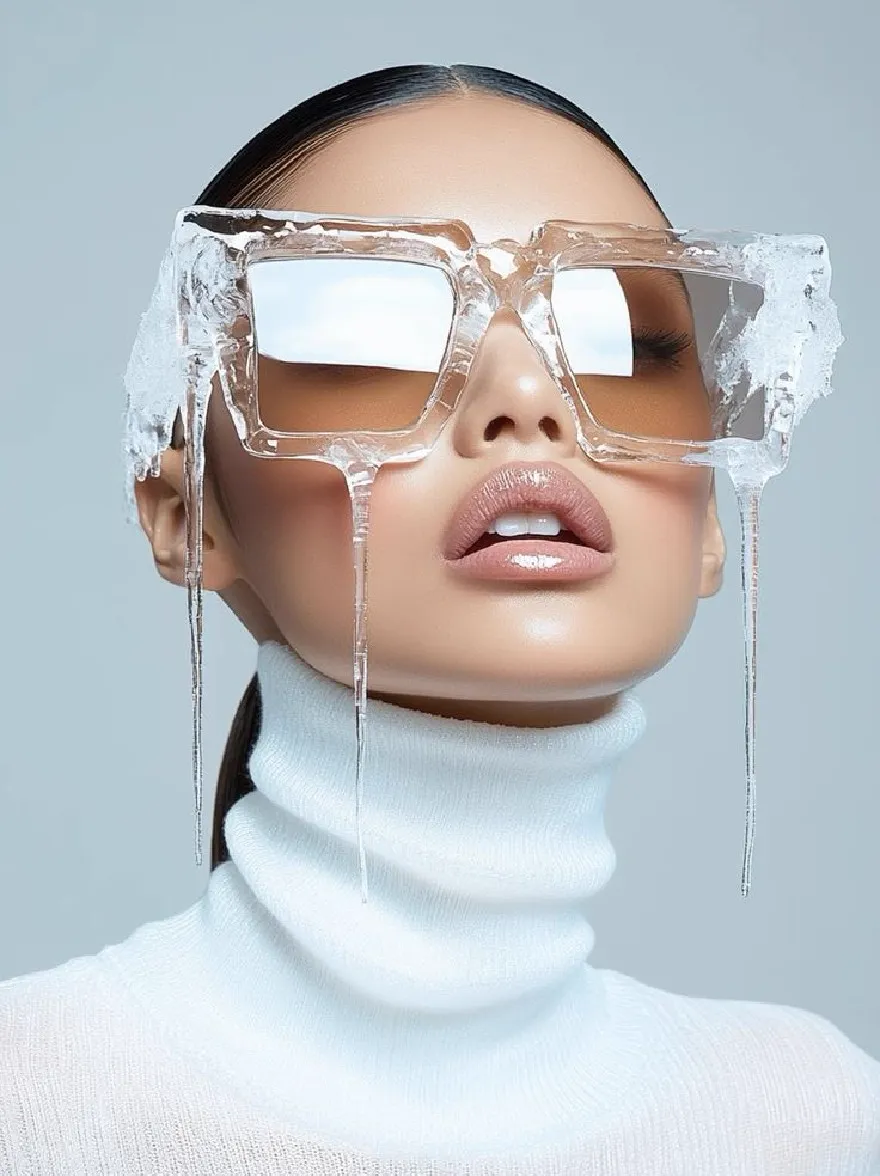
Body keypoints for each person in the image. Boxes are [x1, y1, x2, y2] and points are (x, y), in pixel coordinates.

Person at [1, 64, 878, 1175]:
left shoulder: (818, 1123)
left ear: (707, 520)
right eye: (370, 328)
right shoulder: (31, 1105)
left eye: (626, 336)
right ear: (186, 513)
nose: (528, 398)